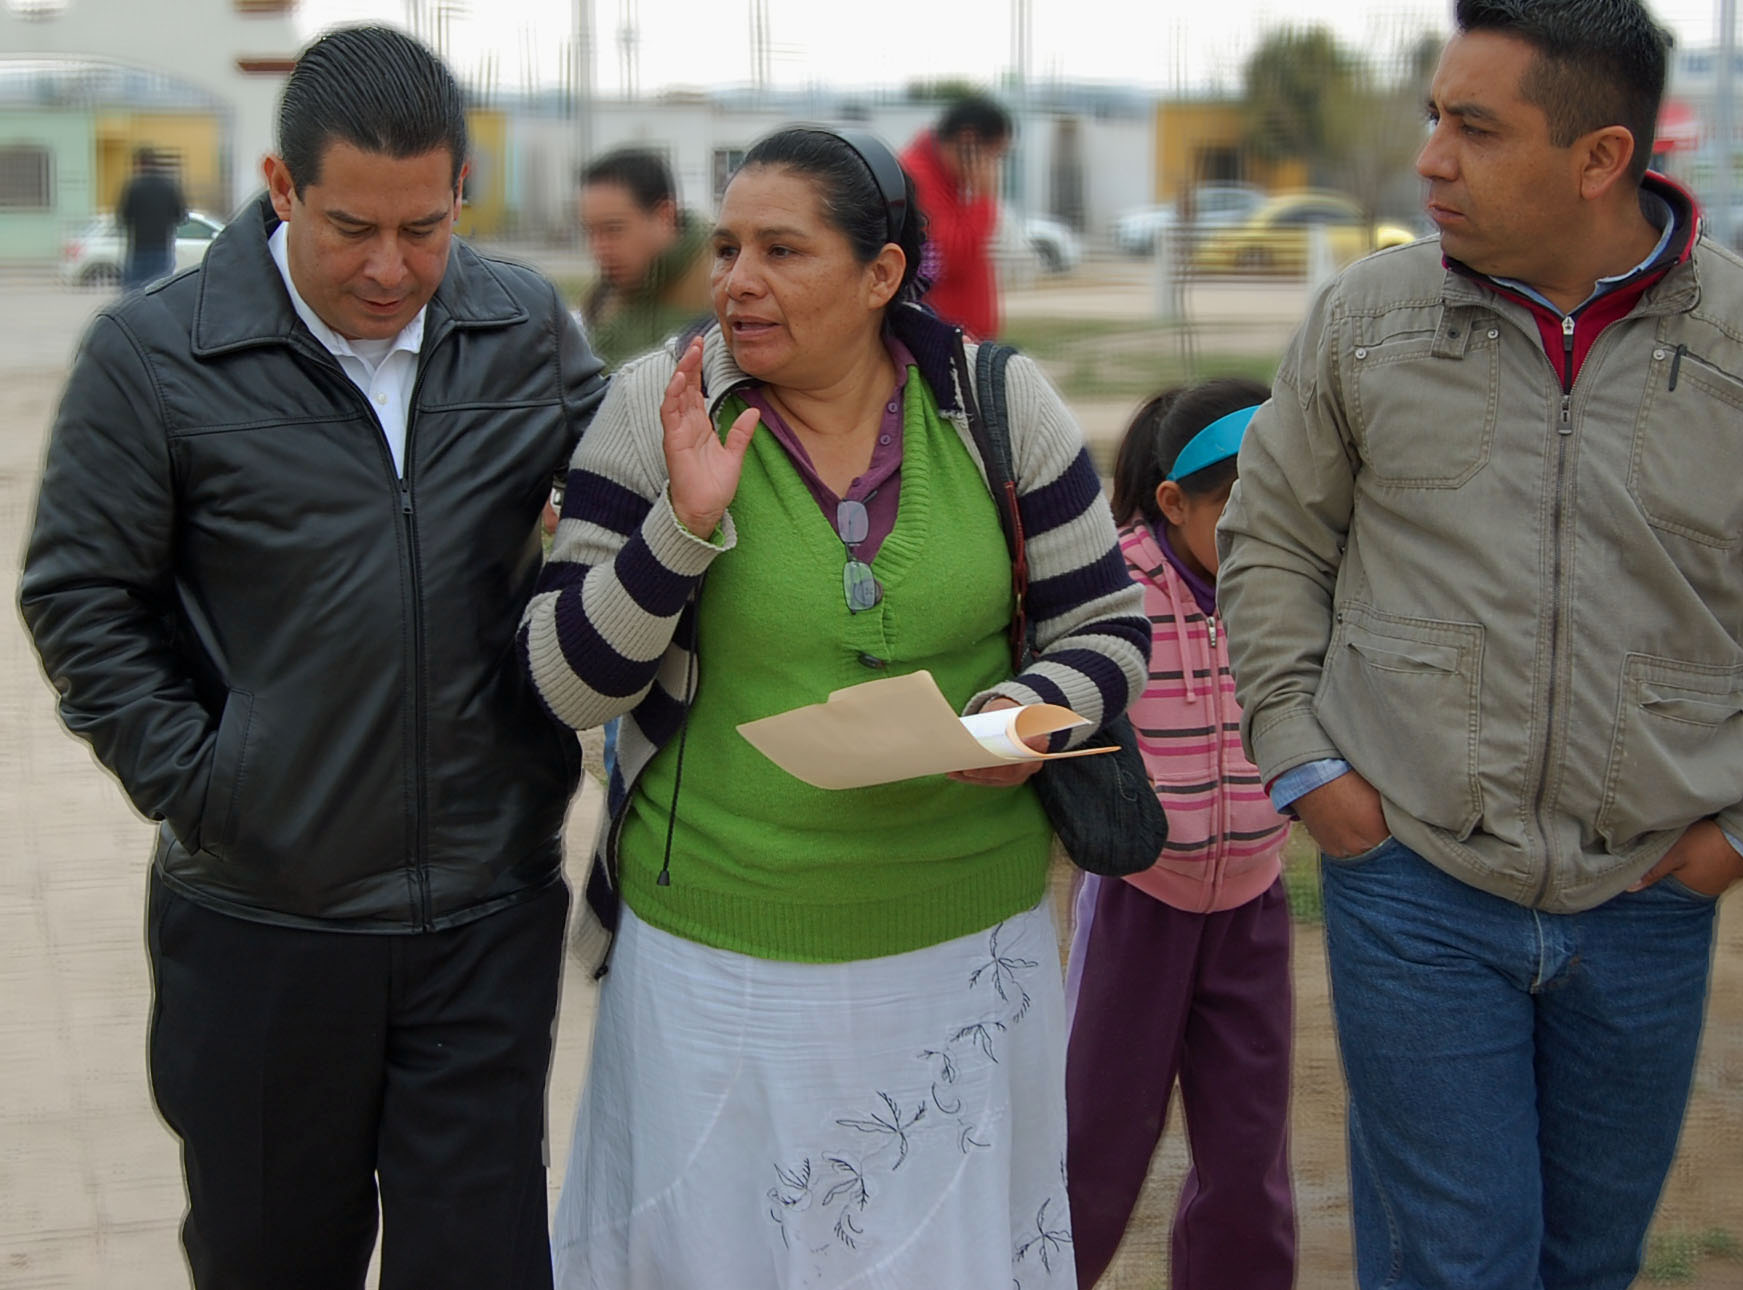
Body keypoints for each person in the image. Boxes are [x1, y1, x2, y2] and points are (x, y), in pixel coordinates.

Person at [1215, 2, 1743, 1288]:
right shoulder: (1366, 320)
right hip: (1412, 874)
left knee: (1590, 1263)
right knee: (1459, 1265)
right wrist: (1309, 766)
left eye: (1474, 129)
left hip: (1651, 893)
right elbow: (1269, 546)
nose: (1431, 158)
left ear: (1602, 158)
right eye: (1434, 117)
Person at [19, 26, 607, 1289]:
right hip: (262, 931)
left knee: (484, 1265)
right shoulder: (155, 358)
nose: (392, 269)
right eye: (351, 228)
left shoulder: (523, 331)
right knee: (272, 1260)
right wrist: (215, 784)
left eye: (425, 227)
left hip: (485, 912)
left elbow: (635, 490)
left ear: (462, 190)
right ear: (281, 190)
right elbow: (78, 595)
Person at [521, 125, 1148, 1290]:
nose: (736, 280)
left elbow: (1109, 625)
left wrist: (1028, 712)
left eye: (780, 250)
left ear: (880, 276)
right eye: (725, 248)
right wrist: (683, 529)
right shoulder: (658, 408)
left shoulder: (996, 404)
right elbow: (565, 681)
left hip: (964, 962)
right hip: (720, 962)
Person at [1065, 379, 1297, 1290]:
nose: (1266, 536)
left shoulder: (1293, 587)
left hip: (1252, 905)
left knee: (1249, 1160)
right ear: (1174, 504)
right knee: (1095, 1146)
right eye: (1240, 511)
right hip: (1137, 906)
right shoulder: (1114, 585)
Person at [578, 147, 714, 367]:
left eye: (613, 229)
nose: (598, 248)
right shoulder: (603, 299)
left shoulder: (723, 287)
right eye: (590, 232)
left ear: (665, 215)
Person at [901, 95, 1013, 338]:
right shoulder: (918, 178)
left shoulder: (946, 180)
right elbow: (950, 260)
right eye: (994, 156)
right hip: (941, 345)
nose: (994, 168)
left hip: (958, 339)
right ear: (968, 140)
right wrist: (984, 199)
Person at [116, 145, 185, 291]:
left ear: (140, 163)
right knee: (160, 291)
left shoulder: (134, 187)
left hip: (139, 247)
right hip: (162, 246)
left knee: (133, 293)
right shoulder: (169, 186)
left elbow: (123, 217)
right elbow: (180, 216)